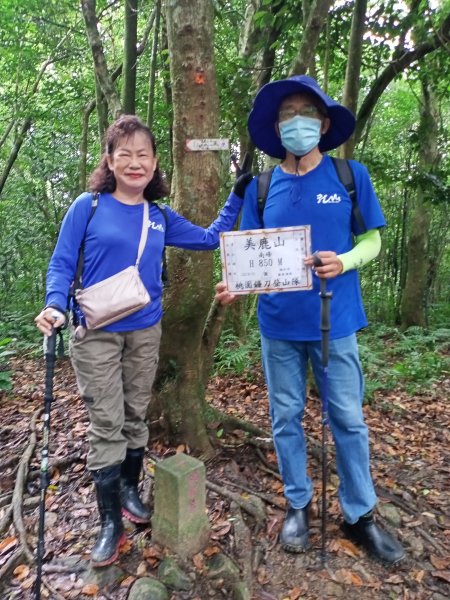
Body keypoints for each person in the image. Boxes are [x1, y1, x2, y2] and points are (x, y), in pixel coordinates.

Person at [35, 115, 251, 567]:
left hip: (146, 328)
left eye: (144, 155)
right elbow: (61, 263)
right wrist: (55, 304)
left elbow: (211, 239)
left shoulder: (159, 216)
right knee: (107, 423)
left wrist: (237, 194)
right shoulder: (88, 206)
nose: (135, 163)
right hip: (95, 332)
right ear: (110, 161)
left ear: (155, 164)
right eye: (125, 154)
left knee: (136, 414)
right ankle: (109, 522)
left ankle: (130, 490)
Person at [215, 76, 405, 565]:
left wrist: (344, 261)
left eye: (305, 112)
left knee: (347, 418)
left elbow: (373, 240)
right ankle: (298, 504)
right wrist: (236, 285)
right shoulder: (261, 186)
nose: (295, 121)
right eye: (286, 114)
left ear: (323, 123)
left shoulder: (348, 176)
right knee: (285, 419)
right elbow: (249, 257)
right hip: (278, 325)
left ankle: (359, 514)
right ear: (277, 129)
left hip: (335, 321)